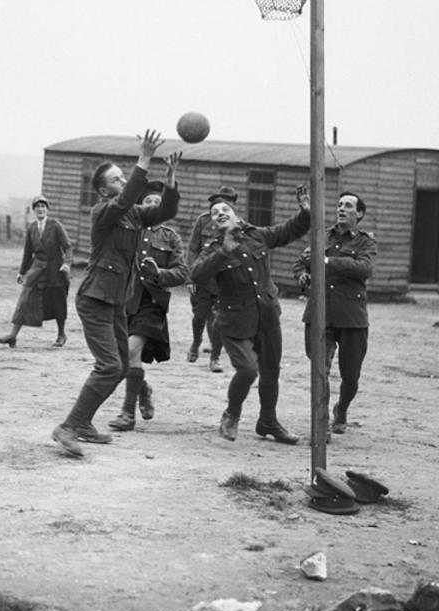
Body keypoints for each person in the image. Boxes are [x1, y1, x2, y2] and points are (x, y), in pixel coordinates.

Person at [52, 131, 183, 458]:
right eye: (117, 179)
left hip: (115, 301)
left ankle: (82, 424)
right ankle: (68, 426)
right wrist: (144, 159)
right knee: (110, 365)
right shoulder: (103, 212)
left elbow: (165, 212)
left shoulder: (133, 214)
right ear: (102, 190)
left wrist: (170, 178)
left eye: (124, 177)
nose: (123, 182)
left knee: (122, 364)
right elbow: (125, 199)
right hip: (95, 298)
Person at [190, 186, 311, 445]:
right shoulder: (213, 248)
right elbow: (197, 274)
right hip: (234, 321)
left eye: (225, 209)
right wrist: (223, 252)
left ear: (236, 215)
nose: (220, 213)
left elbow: (289, 230)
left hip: (267, 316)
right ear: (212, 223)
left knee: (271, 372)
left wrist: (305, 211)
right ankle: (232, 414)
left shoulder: (256, 236)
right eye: (215, 212)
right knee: (247, 370)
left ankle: (268, 421)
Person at [293, 191, 377, 439]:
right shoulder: (322, 235)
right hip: (320, 313)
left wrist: (327, 261)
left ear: (359, 214)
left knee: (351, 376)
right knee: (320, 371)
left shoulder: (365, 242)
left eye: (348, 206)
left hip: (352, 317)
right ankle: (321, 425)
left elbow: (365, 268)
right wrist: (303, 274)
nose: (341, 208)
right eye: (339, 204)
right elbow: (301, 262)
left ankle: (341, 410)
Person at [108, 181, 188, 431]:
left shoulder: (170, 237)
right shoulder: (128, 230)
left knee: (132, 351)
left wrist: (161, 273)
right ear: (140, 206)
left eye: (158, 203)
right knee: (122, 359)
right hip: (125, 299)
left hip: (152, 303)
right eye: (148, 202)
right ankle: (142, 389)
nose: (153, 206)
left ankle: (127, 414)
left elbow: (182, 272)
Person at [0, 195, 72, 348]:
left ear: (47, 209)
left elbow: (67, 246)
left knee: (57, 301)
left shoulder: (55, 225)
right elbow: (27, 251)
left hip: (55, 269)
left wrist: (67, 263)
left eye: (43, 206)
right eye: (37, 207)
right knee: (25, 299)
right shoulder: (31, 227)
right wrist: (22, 271)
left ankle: (61, 334)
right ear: (34, 210)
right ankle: (12, 335)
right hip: (36, 269)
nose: (40, 209)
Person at [185, 187, 236, 372]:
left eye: (229, 203)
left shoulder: (236, 225)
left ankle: (215, 358)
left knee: (220, 320)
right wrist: (191, 278)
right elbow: (192, 249)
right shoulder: (203, 221)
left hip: (224, 279)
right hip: (204, 278)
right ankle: (196, 342)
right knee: (199, 316)